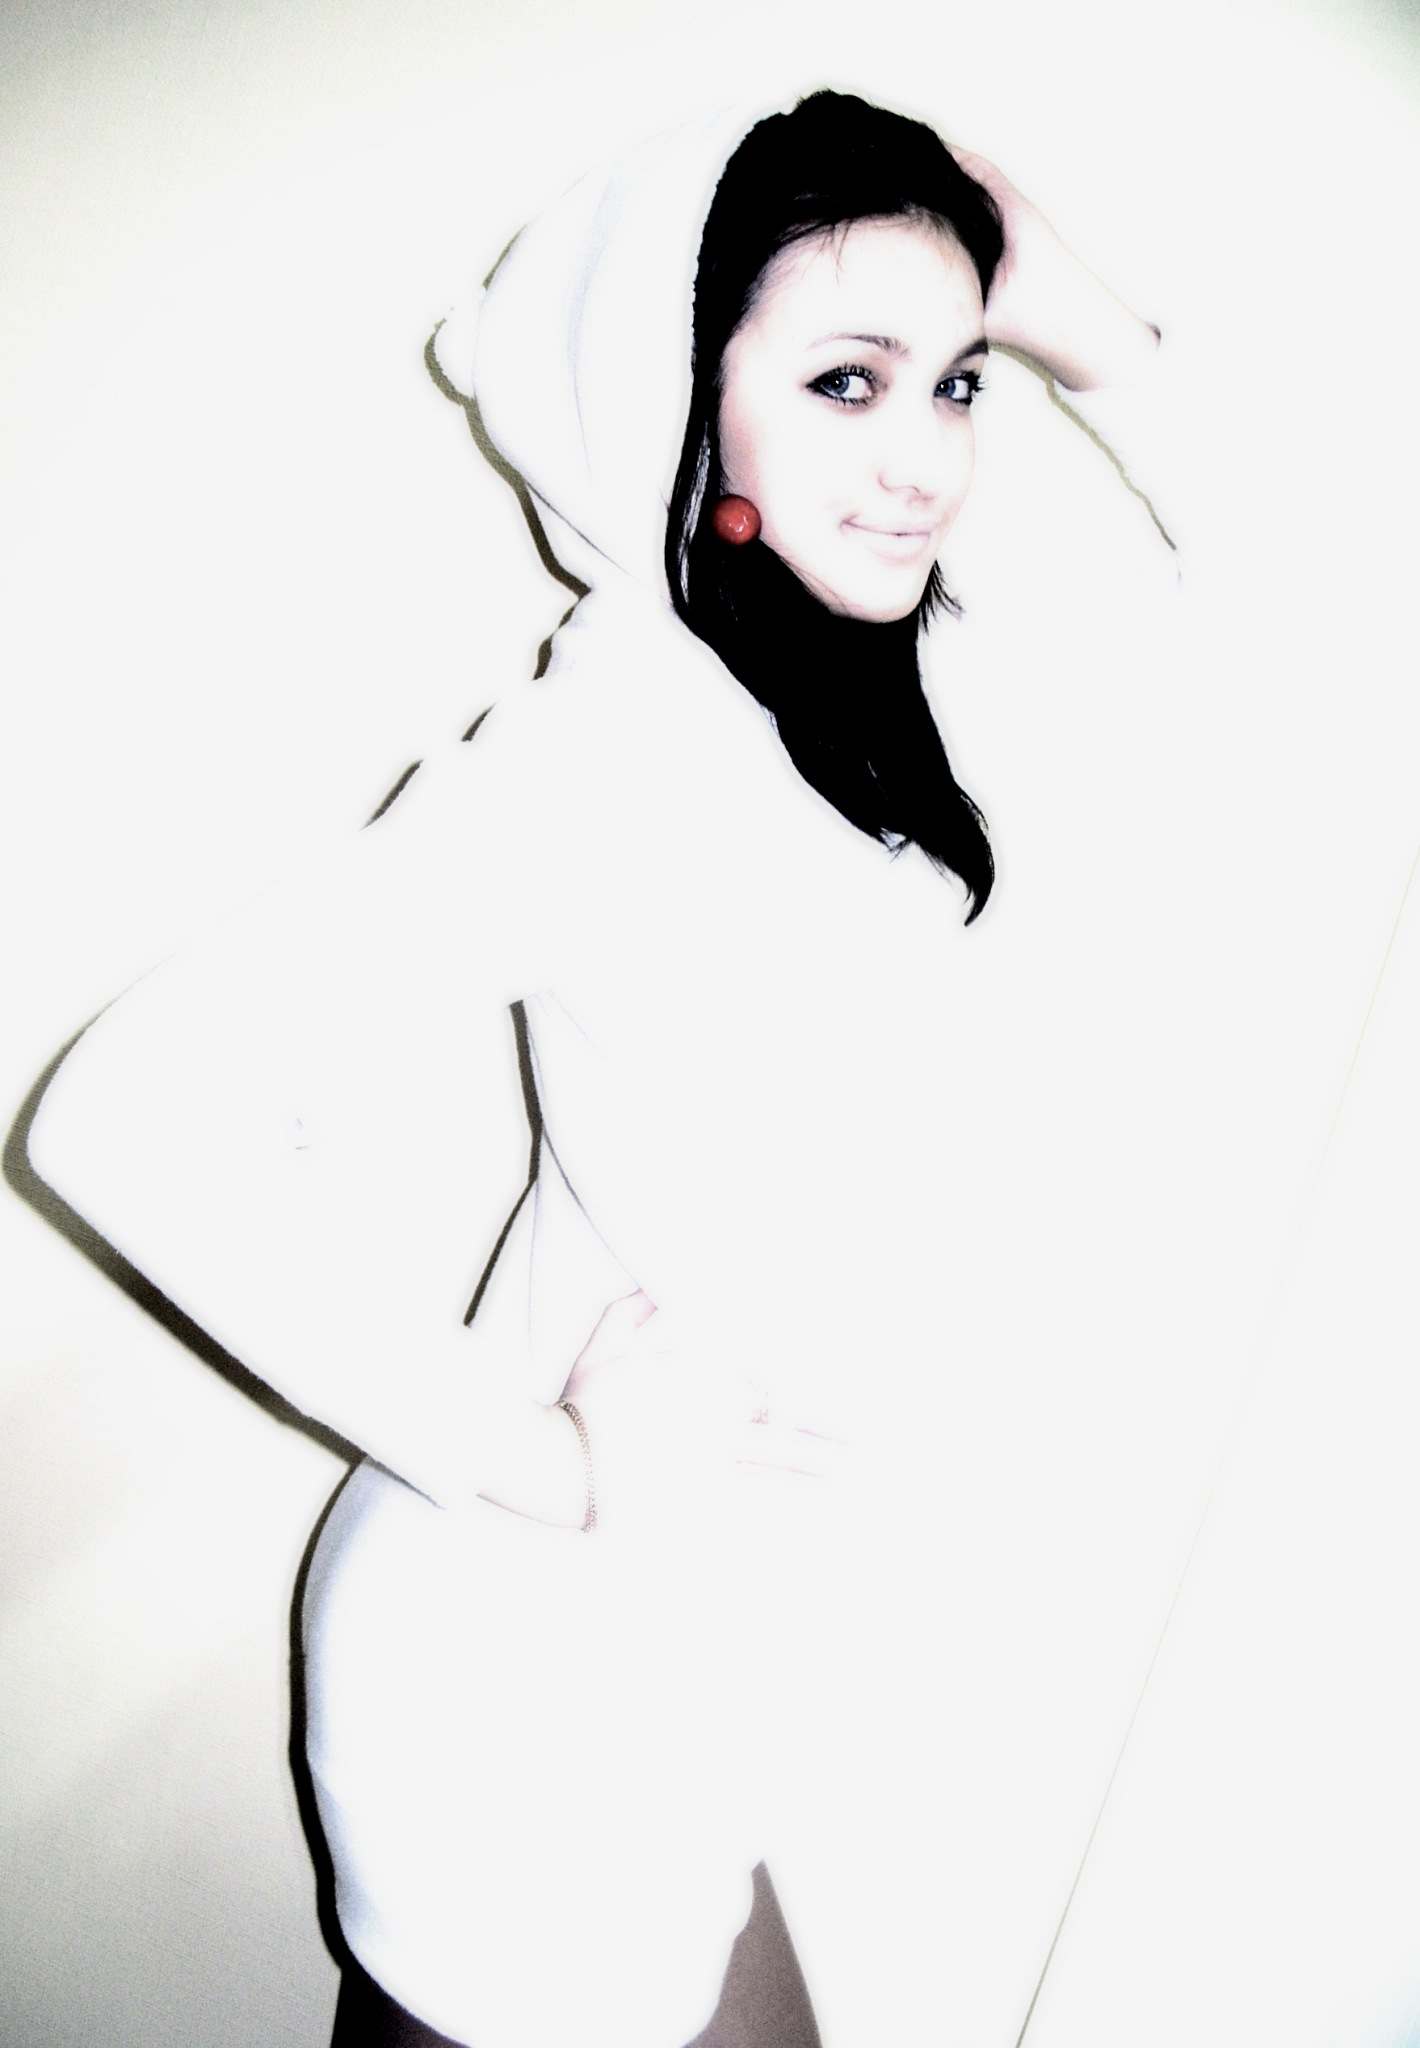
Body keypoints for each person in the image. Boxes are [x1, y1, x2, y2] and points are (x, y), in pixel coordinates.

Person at [30, 92, 1183, 2048]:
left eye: (955, 384)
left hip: (695, 1659)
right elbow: (129, 1118)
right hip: (526, 1676)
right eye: (845, 380)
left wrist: (1078, 321)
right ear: (682, 396)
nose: (922, 457)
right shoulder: (617, 752)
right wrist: (545, 1456)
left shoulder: (893, 702)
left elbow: (1221, 610)